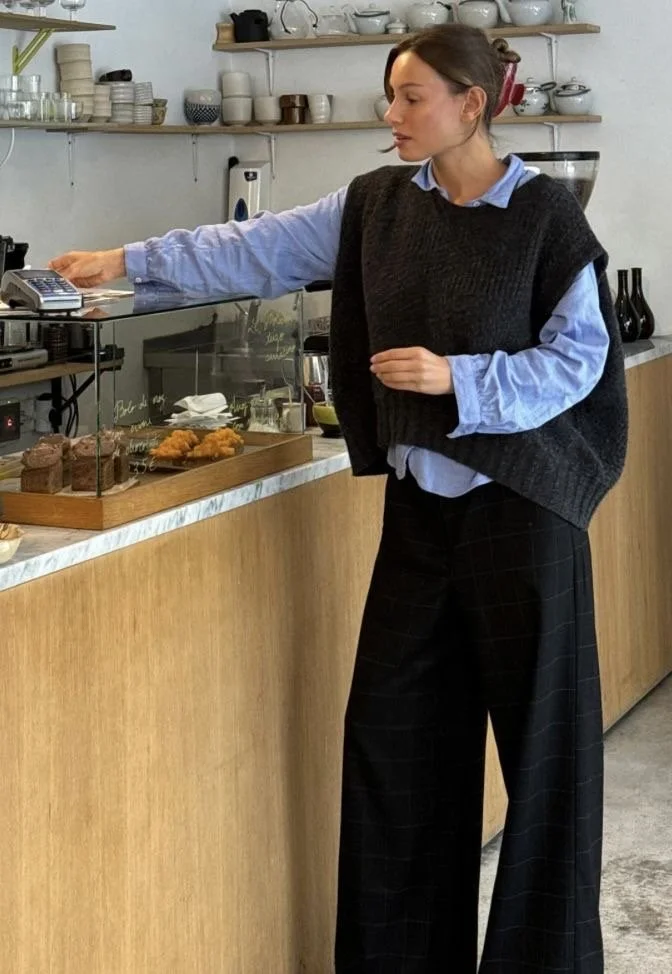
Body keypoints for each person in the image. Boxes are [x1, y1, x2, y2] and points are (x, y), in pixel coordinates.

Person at [50, 25, 627, 973]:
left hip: (524, 511)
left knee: (546, 766)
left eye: (410, 97)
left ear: (471, 104)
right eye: (389, 95)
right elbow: (255, 249)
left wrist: (459, 379)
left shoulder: (545, 218)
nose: (390, 114)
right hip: (420, 517)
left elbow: (579, 361)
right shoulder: (376, 203)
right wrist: (123, 260)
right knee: (393, 752)